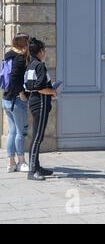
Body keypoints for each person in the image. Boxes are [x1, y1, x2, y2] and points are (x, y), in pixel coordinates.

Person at [24, 38, 58, 181]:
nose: (44, 52)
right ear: (40, 52)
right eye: (43, 50)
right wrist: (52, 92)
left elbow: (28, 86)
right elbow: (39, 87)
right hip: (41, 102)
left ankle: (37, 166)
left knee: (37, 136)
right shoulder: (39, 66)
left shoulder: (30, 65)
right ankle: (32, 171)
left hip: (34, 101)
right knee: (38, 137)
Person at [2, 33, 30, 173]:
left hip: (6, 99)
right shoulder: (19, 58)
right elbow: (14, 77)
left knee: (12, 131)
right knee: (20, 132)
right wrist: (21, 93)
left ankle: (11, 163)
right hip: (16, 100)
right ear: (24, 44)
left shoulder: (9, 55)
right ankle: (21, 162)